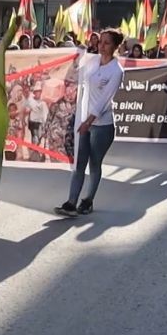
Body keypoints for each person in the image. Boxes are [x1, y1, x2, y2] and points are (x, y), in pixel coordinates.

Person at [54, 29, 125, 217]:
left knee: (94, 163)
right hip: (84, 120)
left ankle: (88, 201)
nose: (102, 45)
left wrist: (89, 121)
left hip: (102, 125)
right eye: (100, 42)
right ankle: (71, 202)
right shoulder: (93, 61)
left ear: (115, 46)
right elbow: (77, 66)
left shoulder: (116, 71)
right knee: (79, 163)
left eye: (107, 43)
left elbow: (104, 100)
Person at [24, 82, 49, 146]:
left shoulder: (43, 101)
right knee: (35, 136)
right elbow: (25, 109)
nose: (38, 93)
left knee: (40, 137)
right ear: (34, 93)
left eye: (39, 91)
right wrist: (28, 110)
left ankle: (37, 149)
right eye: (37, 91)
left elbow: (46, 113)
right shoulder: (30, 100)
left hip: (41, 122)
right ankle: (35, 149)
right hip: (33, 122)